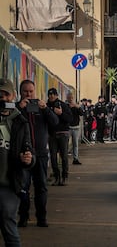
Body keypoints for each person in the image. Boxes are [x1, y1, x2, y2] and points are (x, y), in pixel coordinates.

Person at [16, 80, 59, 228]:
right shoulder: (16, 109)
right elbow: (9, 123)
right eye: (25, 92)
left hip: (40, 154)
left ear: (35, 92)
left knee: (41, 187)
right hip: (24, 155)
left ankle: (42, 218)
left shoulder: (42, 109)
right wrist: (18, 108)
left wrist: (46, 108)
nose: (28, 94)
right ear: (20, 93)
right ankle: (23, 217)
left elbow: (55, 122)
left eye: (31, 91)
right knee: (23, 188)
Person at [0, 78, 35, 246]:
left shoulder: (20, 122)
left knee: (8, 222)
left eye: (6, 94)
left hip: (9, 182)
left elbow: (29, 152)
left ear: (13, 96)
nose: (2, 98)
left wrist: (28, 159)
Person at [47, 88, 73, 186]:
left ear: (57, 95)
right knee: (53, 157)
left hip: (63, 133)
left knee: (64, 156)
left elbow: (70, 118)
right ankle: (56, 177)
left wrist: (61, 113)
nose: (51, 96)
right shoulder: (46, 106)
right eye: (50, 94)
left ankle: (64, 177)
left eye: (53, 94)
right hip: (52, 134)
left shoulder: (63, 105)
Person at [66, 92, 84, 165]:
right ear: (67, 98)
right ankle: (64, 159)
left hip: (76, 127)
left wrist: (78, 107)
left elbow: (82, 113)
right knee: (65, 144)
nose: (70, 99)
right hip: (68, 128)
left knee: (75, 144)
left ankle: (75, 159)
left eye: (72, 98)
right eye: (69, 97)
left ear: (73, 98)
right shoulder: (65, 106)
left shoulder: (77, 106)